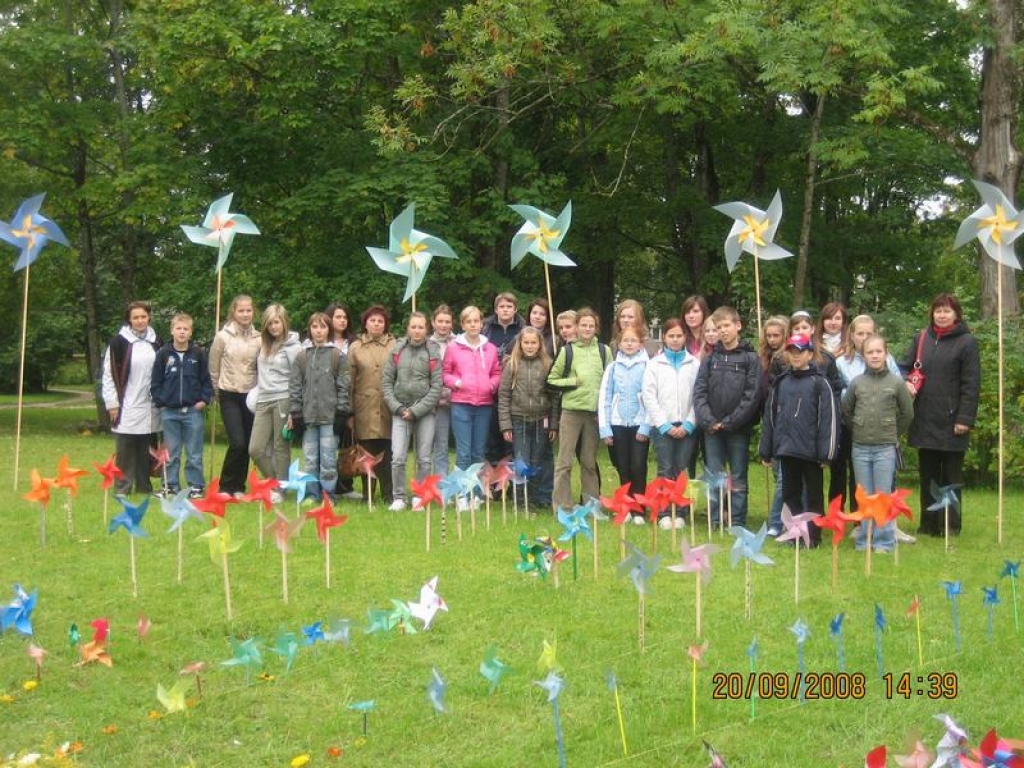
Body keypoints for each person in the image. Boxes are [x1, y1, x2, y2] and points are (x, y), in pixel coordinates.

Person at [900, 293, 980, 536]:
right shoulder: (921, 338)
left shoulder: (966, 342)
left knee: (951, 477)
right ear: (932, 313)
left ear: (956, 314)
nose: (942, 315)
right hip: (925, 418)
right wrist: (906, 382)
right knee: (929, 476)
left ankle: (950, 525)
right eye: (938, 311)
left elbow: (971, 383)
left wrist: (964, 419)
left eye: (947, 311)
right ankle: (928, 523)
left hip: (953, 420)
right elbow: (903, 366)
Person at [759, 334, 839, 547]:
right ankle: (795, 533)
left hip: (811, 452)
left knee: (813, 496)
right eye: (792, 352)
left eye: (801, 351)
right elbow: (771, 417)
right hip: (786, 450)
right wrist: (766, 449)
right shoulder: (781, 382)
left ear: (810, 354)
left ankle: (813, 536)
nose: (796, 356)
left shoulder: (820, 383)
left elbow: (828, 420)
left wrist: (827, 453)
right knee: (790, 494)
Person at [842, 334, 914, 553]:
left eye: (878, 352)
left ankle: (883, 541)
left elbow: (907, 413)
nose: (874, 355)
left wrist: (892, 433)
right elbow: (847, 411)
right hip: (860, 449)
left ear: (886, 353)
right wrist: (859, 430)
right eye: (870, 352)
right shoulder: (857, 383)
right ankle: (864, 539)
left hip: (885, 448)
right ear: (864, 356)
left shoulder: (896, 382)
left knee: (882, 496)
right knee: (864, 496)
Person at [693, 306, 761, 528]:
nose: (723, 331)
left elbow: (752, 395)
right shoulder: (711, 358)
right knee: (715, 476)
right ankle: (714, 519)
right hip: (712, 429)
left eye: (726, 326)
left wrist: (731, 421)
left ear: (738, 326)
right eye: (718, 327)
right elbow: (700, 391)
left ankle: (737, 521)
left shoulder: (750, 358)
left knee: (738, 477)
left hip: (737, 429)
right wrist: (708, 420)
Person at [547, 307, 610, 510]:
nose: (587, 329)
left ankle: (592, 506)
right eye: (584, 325)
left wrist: (605, 412)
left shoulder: (604, 351)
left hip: (594, 414)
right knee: (564, 461)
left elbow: (610, 381)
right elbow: (551, 380)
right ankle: (562, 506)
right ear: (577, 327)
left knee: (589, 462)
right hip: (571, 412)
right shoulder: (568, 351)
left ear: (596, 328)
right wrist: (573, 382)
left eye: (591, 326)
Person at [640, 319, 701, 528]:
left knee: (682, 469)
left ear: (685, 338)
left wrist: (689, 424)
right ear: (664, 338)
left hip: (687, 425)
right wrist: (664, 425)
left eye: (679, 336)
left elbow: (698, 396)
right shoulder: (654, 364)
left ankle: (681, 513)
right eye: (671, 336)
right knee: (665, 469)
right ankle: (665, 511)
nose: (675, 340)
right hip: (662, 426)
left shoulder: (694, 364)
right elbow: (649, 396)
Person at [443, 305, 502, 510]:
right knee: (464, 452)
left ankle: (476, 494)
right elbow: (445, 374)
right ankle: (461, 495)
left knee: (478, 452)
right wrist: (458, 383)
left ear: (481, 323)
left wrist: (491, 385)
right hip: (461, 404)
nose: (473, 325)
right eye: (469, 322)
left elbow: (496, 372)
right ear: (463, 324)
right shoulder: (453, 348)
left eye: (476, 321)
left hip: (484, 405)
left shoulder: (491, 348)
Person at [383, 312, 442, 510]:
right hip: (400, 410)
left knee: (424, 457)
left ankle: (420, 495)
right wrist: (399, 408)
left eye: (421, 327)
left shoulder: (433, 352)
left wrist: (416, 411)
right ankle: (399, 497)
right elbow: (386, 383)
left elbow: (436, 387)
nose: (417, 331)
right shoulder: (397, 349)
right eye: (413, 327)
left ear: (427, 329)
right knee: (398, 456)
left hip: (424, 412)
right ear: (408, 328)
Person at [102, 300, 162, 495]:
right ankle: (123, 487)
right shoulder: (119, 342)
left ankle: (144, 486)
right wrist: (112, 403)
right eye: (135, 317)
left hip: (150, 404)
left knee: (147, 448)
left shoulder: (156, 341)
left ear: (149, 317)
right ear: (129, 319)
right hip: (127, 402)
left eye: (143, 317)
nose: (140, 321)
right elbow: (109, 374)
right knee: (126, 448)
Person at [150, 312, 213, 498]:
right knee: (171, 453)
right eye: (179, 328)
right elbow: (155, 382)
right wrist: (160, 401)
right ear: (172, 330)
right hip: (169, 412)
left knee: (194, 452)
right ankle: (170, 486)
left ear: (191, 332)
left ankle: (196, 485)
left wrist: (204, 399)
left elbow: (206, 381)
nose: (182, 332)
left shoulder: (198, 354)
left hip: (193, 411)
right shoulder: (163, 354)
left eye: (186, 329)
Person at [290, 312, 350, 500]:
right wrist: (296, 412)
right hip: (308, 418)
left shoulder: (337, 356)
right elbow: (295, 386)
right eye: (315, 327)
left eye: (323, 327)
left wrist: (341, 411)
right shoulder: (302, 357)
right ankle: (311, 494)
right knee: (310, 459)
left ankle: (328, 494)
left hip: (329, 418)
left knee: (328, 459)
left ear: (329, 330)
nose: (318, 331)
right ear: (309, 330)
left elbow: (344, 385)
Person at [499, 327, 558, 510]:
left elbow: (555, 396)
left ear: (540, 344)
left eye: (534, 343)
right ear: (520, 344)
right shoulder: (512, 364)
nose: (530, 346)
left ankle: (535, 497)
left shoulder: (548, 364)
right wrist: (505, 425)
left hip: (542, 420)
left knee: (537, 460)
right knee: (521, 460)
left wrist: (554, 424)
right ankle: (520, 499)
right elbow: (504, 396)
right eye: (526, 343)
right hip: (519, 420)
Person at [210, 295, 261, 496]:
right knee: (237, 441)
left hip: (250, 395)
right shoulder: (222, 336)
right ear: (234, 312)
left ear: (253, 312)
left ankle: (239, 486)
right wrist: (217, 391)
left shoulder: (259, 338)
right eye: (241, 310)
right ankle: (226, 485)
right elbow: (213, 367)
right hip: (228, 393)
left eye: (248, 310)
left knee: (247, 443)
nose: (245, 314)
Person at [599, 326, 650, 522]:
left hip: (639, 425)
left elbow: (650, 397)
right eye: (625, 341)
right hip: (617, 424)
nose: (629, 344)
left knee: (638, 466)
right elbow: (605, 397)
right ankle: (626, 506)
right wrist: (605, 428)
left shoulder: (647, 366)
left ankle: (639, 509)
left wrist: (646, 426)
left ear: (640, 343)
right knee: (623, 466)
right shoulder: (612, 367)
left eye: (633, 340)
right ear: (619, 344)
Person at [249, 304, 301, 497]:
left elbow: (298, 379)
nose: (273, 327)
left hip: (283, 399)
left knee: (281, 447)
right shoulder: (263, 344)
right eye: (269, 323)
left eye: (276, 322)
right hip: (263, 399)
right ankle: (277, 483)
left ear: (284, 322)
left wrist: (293, 410)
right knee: (255, 448)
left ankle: (279, 489)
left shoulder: (294, 347)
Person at [348, 305, 397, 503]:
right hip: (363, 408)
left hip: (388, 405)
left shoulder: (395, 345)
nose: (376, 324)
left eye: (380, 321)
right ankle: (368, 495)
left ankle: (389, 494)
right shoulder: (356, 347)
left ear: (385, 325)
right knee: (366, 453)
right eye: (372, 321)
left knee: (387, 451)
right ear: (365, 323)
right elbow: (349, 380)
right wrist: (349, 412)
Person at [757, 315, 789, 536]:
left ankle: (777, 520)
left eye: (776, 335)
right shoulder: (762, 358)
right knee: (779, 473)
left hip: (784, 416)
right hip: (769, 416)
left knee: (784, 476)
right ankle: (783, 518)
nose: (772, 339)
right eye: (768, 335)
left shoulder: (786, 358)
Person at [325, 302, 360, 499]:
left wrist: (351, 410)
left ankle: (345, 485)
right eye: (338, 317)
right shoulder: (319, 340)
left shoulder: (354, 343)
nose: (342, 321)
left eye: (345, 317)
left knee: (347, 445)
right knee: (326, 446)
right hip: (323, 402)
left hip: (346, 402)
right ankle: (325, 485)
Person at [429, 304, 455, 475]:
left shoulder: (459, 342)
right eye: (440, 321)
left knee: (464, 446)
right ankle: (441, 485)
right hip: (438, 403)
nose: (443, 325)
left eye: (447, 321)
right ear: (433, 322)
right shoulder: (427, 344)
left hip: (459, 399)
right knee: (440, 445)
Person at [481, 292, 525, 359]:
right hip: (490, 367)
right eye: (501, 307)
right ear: (496, 309)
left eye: (509, 307)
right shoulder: (484, 327)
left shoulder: (524, 328)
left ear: (515, 309)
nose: (505, 310)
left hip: (516, 367)